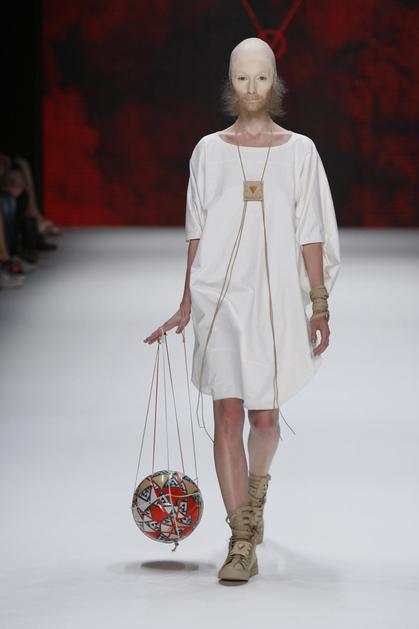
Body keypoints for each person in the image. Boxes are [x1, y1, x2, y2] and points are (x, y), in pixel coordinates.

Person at [143, 37, 340, 583]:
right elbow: (197, 231)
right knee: (227, 414)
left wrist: (319, 302)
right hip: (220, 297)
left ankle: (256, 495)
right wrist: (187, 300)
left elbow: (311, 230)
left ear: (275, 82)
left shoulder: (300, 151)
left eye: (261, 77)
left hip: (274, 298)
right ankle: (240, 536)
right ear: (230, 83)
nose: (252, 88)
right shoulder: (208, 151)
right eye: (242, 78)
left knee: (265, 418)